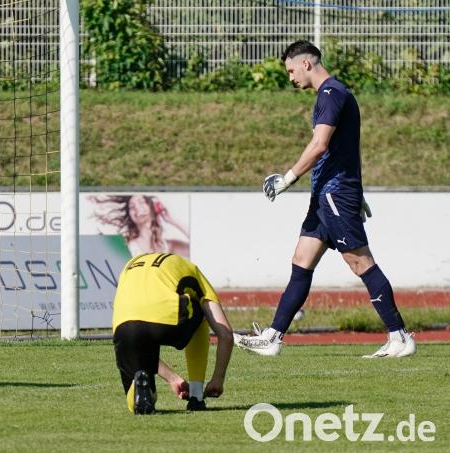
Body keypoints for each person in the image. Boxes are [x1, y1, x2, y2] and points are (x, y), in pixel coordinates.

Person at [234, 40, 415, 358]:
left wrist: (287, 178)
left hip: (334, 194)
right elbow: (346, 149)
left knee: (361, 263)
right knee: (301, 262)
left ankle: (400, 337)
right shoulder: (335, 94)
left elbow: (320, 145)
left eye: (291, 70)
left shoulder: (331, 94)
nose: (290, 78)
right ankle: (273, 337)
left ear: (306, 63)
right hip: (326, 195)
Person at [112, 252, 233, 414]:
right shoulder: (190, 268)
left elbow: (136, 324)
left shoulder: (128, 266)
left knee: (137, 394)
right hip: (167, 321)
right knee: (202, 308)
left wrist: (172, 378)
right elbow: (225, 333)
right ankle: (196, 396)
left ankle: (141, 392)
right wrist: (218, 378)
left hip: (124, 329)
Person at [91, 195, 190, 257]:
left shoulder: (168, 246)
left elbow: (199, 248)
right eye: (132, 206)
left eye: (141, 202)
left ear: (152, 208)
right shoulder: (126, 245)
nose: (137, 208)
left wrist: (172, 220)